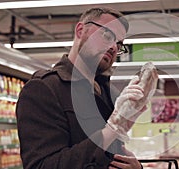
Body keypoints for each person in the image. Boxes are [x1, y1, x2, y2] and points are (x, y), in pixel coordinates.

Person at [16, 7, 148, 169]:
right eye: (107, 35)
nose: (114, 47)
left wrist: (134, 167)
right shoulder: (43, 89)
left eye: (119, 43)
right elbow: (42, 165)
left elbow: (110, 156)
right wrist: (112, 128)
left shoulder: (108, 91)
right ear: (80, 30)